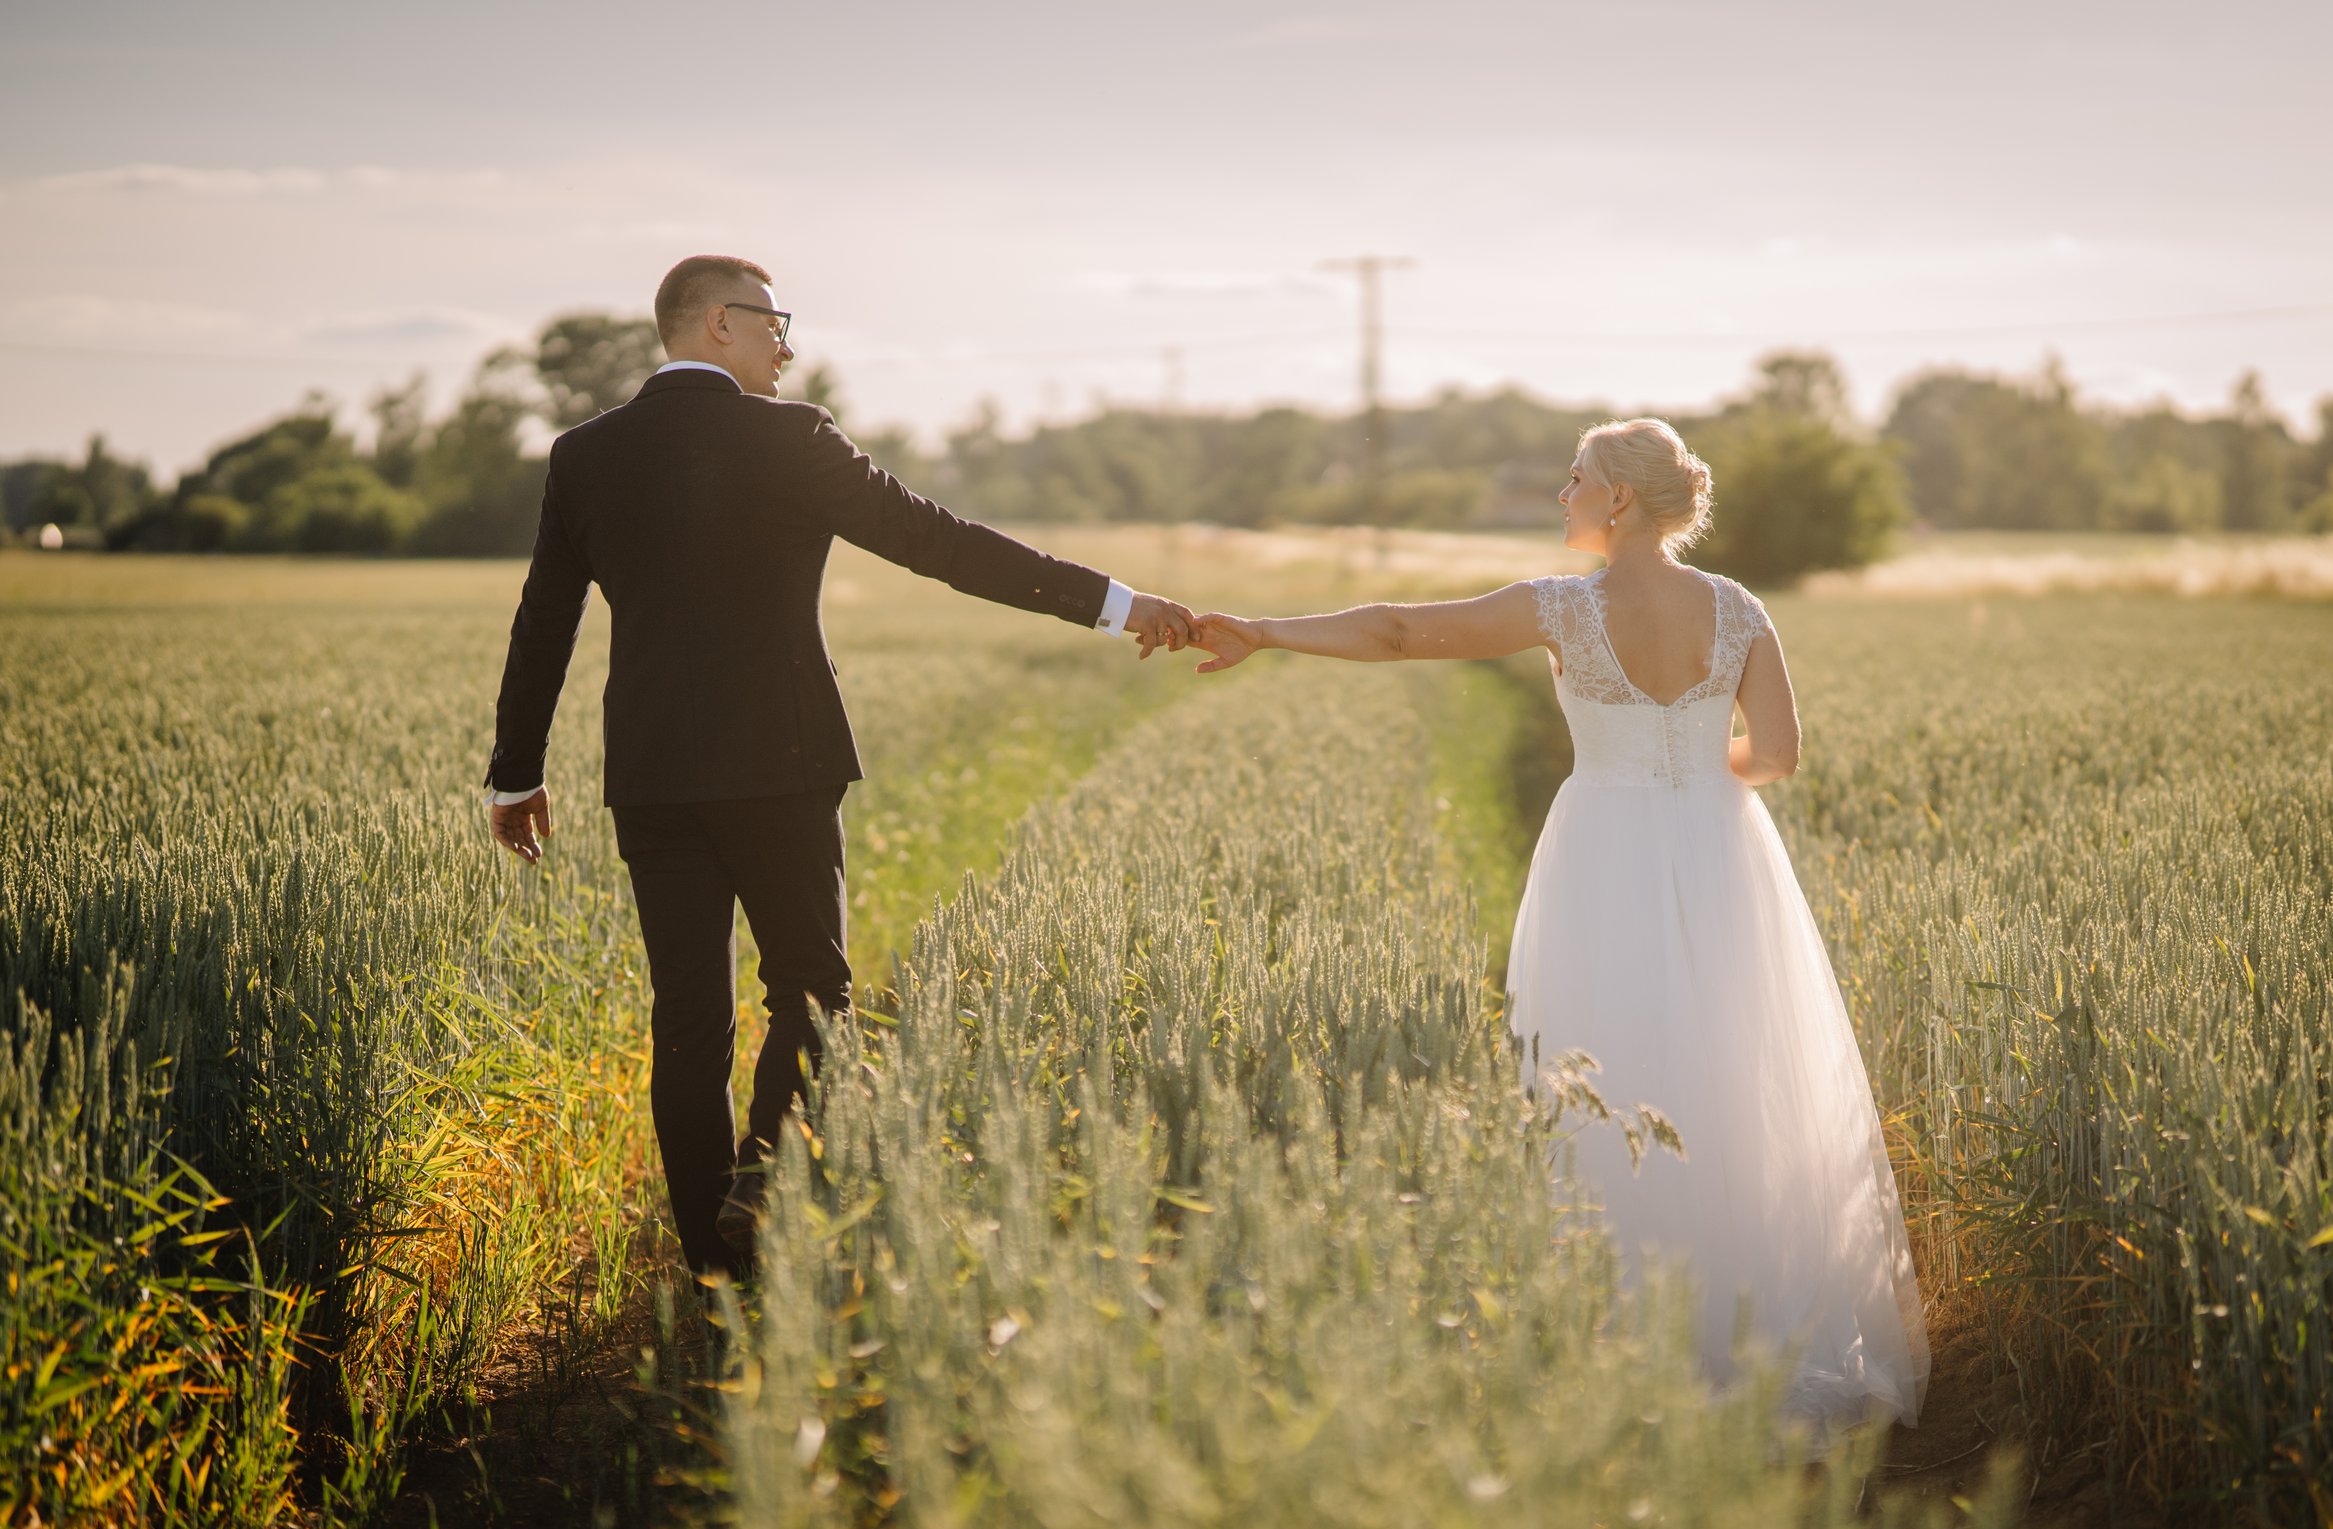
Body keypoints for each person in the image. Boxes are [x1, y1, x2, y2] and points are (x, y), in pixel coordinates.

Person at [1189, 418, 1928, 1439]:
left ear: (1618, 500)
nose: (1563, 496)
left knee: (1607, 1078)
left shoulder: (1565, 609)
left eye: (1575, 479)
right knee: (1728, 1074)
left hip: (1603, 853)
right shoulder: (1741, 609)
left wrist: (1265, 630)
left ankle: (1629, 1341)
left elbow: (1401, 630)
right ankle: (1755, 1345)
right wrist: (1686, 778)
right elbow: (1779, 757)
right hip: (1725, 854)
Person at [483, 254, 1194, 1282]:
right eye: (776, 321)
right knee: (812, 987)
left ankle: (713, 1264)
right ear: (719, 322)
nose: (788, 343)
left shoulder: (584, 454)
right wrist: (1118, 604)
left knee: (687, 1018)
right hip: (783, 757)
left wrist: (516, 773)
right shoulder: (791, 437)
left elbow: (543, 616)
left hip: (651, 773)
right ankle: (764, 1174)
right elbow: (938, 542)